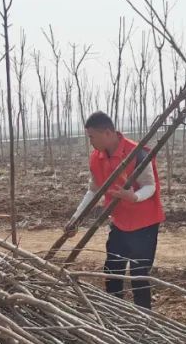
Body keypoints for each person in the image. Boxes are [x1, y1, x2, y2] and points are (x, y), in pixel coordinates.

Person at [65, 111, 165, 310]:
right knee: (112, 271)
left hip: (144, 224)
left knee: (139, 275)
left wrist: (133, 196)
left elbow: (150, 185)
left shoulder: (137, 153)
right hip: (119, 222)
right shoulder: (96, 158)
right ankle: (116, 314)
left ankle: (143, 320)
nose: (90, 141)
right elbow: (94, 190)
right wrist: (76, 218)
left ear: (108, 133)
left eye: (92, 136)